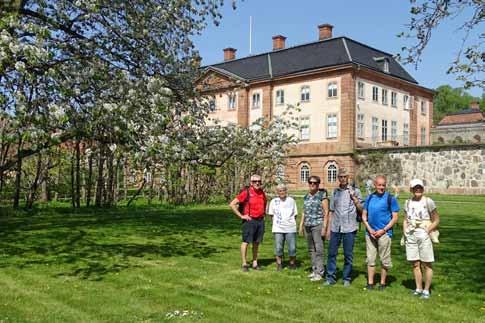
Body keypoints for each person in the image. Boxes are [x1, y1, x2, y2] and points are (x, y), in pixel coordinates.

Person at [403, 179, 440, 299]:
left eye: (420, 187)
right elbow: (405, 219)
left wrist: (427, 231)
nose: (418, 189)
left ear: (423, 189)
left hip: (424, 234)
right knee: (415, 263)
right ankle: (418, 288)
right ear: (411, 189)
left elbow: (436, 220)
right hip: (411, 234)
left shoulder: (428, 201)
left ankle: (426, 290)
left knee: (427, 263)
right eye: (415, 187)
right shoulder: (407, 202)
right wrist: (405, 232)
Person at [325, 169, 363, 286]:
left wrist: (354, 198)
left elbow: (361, 209)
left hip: (349, 227)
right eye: (340, 177)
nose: (342, 179)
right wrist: (328, 229)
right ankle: (330, 277)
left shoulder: (355, 191)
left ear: (348, 178)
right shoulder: (335, 192)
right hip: (336, 227)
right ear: (338, 178)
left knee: (348, 254)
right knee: (332, 253)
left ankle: (346, 278)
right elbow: (331, 211)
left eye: (344, 177)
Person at [362, 175, 399, 290]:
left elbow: (395, 218)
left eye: (383, 185)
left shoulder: (390, 198)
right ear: (375, 185)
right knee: (371, 259)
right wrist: (369, 229)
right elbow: (364, 216)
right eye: (379, 185)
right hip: (370, 234)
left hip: (384, 234)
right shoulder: (369, 198)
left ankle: (382, 283)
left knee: (384, 259)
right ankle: (370, 283)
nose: (381, 187)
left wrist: (383, 230)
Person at [229, 174, 267, 272]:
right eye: (255, 181)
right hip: (249, 221)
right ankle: (244, 263)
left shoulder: (262, 193)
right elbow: (232, 204)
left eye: (259, 181)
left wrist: (264, 215)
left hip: (260, 220)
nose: (257, 183)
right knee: (246, 242)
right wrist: (241, 216)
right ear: (251, 183)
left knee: (256, 243)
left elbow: (264, 204)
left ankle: (255, 263)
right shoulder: (246, 192)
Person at [298, 175, 329, 281]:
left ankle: (320, 272)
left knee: (319, 249)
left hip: (317, 225)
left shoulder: (322, 196)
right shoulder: (306, 196)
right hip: (308, 225)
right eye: (310, 182)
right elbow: (304, 211)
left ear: (318, 184)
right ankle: (314, 269)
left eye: (315, 183)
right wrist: (301, 225)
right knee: (311, 249)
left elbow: (326, 213)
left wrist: (324, 227)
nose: (312, 185)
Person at [267, 184, 298, 271]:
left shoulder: (291, 201)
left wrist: (289, 222)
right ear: (277, 192)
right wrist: (276, 224)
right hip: (278, 228)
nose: (282, 192)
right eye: (280, 191)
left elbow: (295, 214)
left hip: (290, 228)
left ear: (286, 191)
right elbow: (271, 215)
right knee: (278, 247)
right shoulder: (274, 201)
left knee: (292, 247)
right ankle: (279, 264)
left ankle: (292, 263)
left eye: (283, 190)